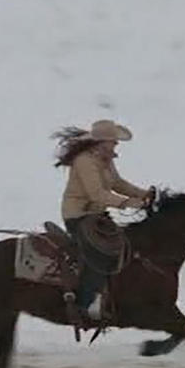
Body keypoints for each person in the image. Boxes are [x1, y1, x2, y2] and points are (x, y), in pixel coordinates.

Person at [53, 120, 152, 327]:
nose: (116, 144)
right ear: (103, 142)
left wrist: (144, 194)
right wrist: (127, 203)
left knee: (123, 245)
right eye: (113, 141)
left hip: (96, 215)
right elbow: (96, 194)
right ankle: (83, 305)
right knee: (100, 254)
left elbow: (117, 183)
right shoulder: (84, 161)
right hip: (78, 216)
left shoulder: (105, 160)